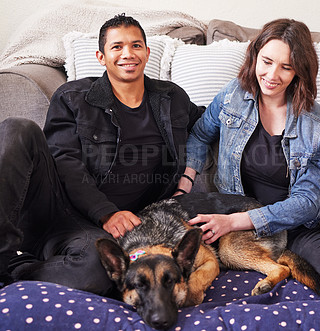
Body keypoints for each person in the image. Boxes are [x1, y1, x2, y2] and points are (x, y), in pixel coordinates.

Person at [176, 18, 320, 296]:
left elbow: (307, 202)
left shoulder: (318, 123)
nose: (272, 75)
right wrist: (184, 184)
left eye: (286, 67)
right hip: (290, 229)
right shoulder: (232, 96)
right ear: (255, 56)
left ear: (300, 71)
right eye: (267, 61)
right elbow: (199, 135)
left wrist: (233, 221)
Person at [0, 14, 203, 293]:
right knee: (17, 129)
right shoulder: (73, 97)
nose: (128, 54)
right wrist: (107, 213)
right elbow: (64, 161)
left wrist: (188, 177)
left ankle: (18, 268)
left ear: (147, 51)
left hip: (89, 233)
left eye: (136, 45)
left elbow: (209, 124)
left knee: (97, 275)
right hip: (55, 205)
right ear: (101, 56)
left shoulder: (172, 99)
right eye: (117, 47)